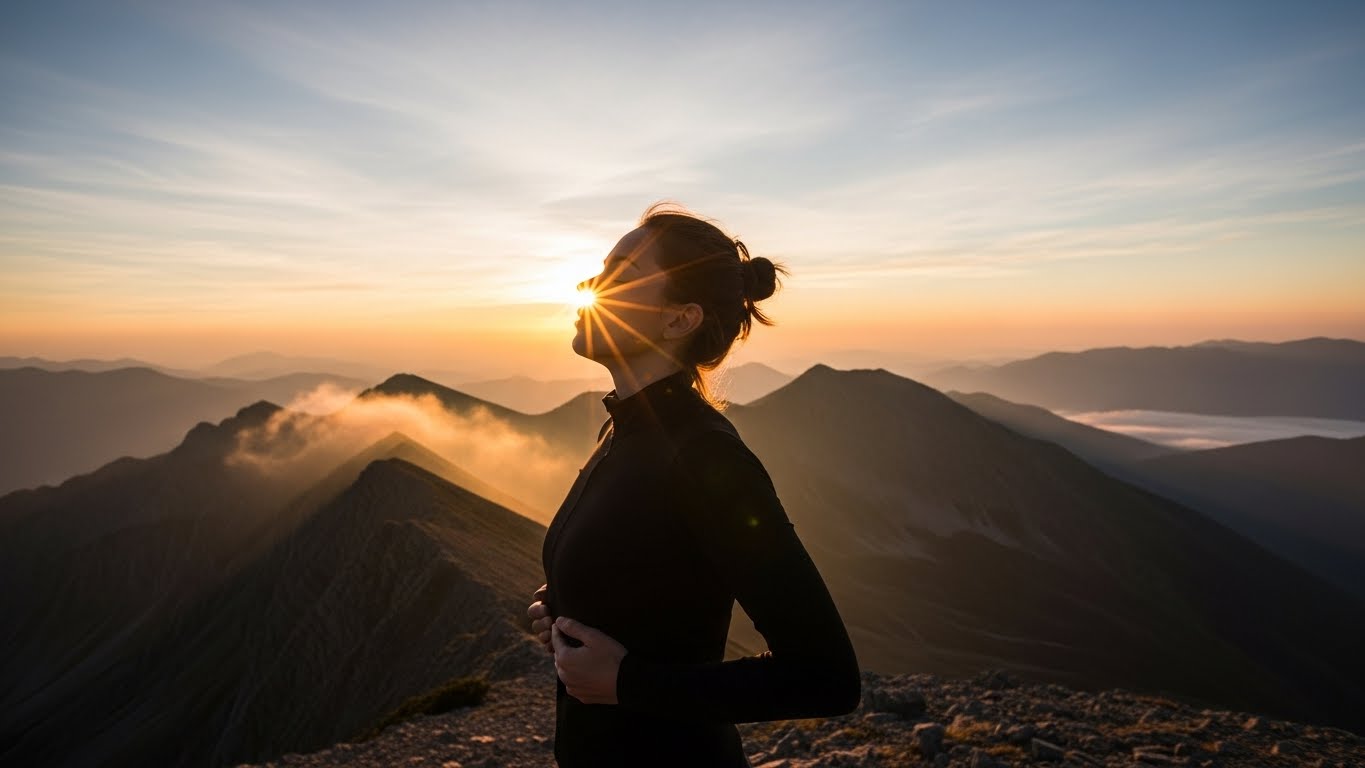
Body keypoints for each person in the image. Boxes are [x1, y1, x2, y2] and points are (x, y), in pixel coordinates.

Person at [528, 203, 861, 766]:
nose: (589, 285)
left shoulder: (704, 455)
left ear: (679, 319)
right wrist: (568, 602)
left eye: (621, 276)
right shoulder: (624, 429)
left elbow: (826, 676)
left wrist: (629, 683)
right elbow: (655, 578)